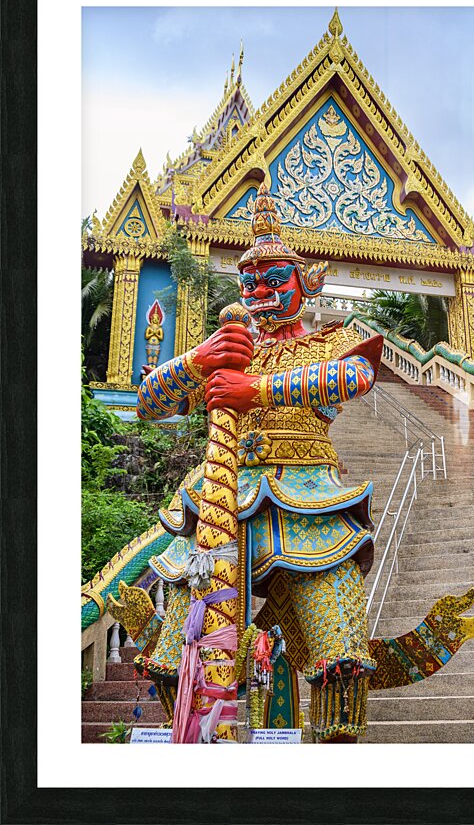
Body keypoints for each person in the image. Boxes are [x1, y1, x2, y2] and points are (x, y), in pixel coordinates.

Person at [137, 182, 383, 742]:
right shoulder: (229, 349)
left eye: (275, 280)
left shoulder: (328, 343)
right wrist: (197, 359)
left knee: (341, 658)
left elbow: (357, 374)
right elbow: (150, 403)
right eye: (250, 283)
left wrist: (257, 390)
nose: (261, 292)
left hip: (308, 504)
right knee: (178, 655)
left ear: (306, 282)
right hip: (219, 505)